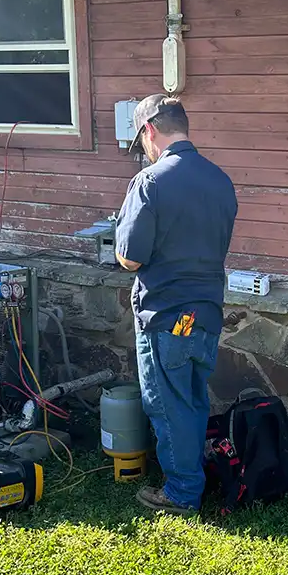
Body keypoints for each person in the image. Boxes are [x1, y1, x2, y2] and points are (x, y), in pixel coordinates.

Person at [114, 94, 238, 515]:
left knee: (168, 403)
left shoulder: (151, 181)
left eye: (141, 140)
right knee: (193, 398)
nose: (143, 149)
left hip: (167, 314)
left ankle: (182, 493)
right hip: (206, 311)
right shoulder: (220, 179)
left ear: (149, 130)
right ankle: (193, 473)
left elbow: (131, 257)